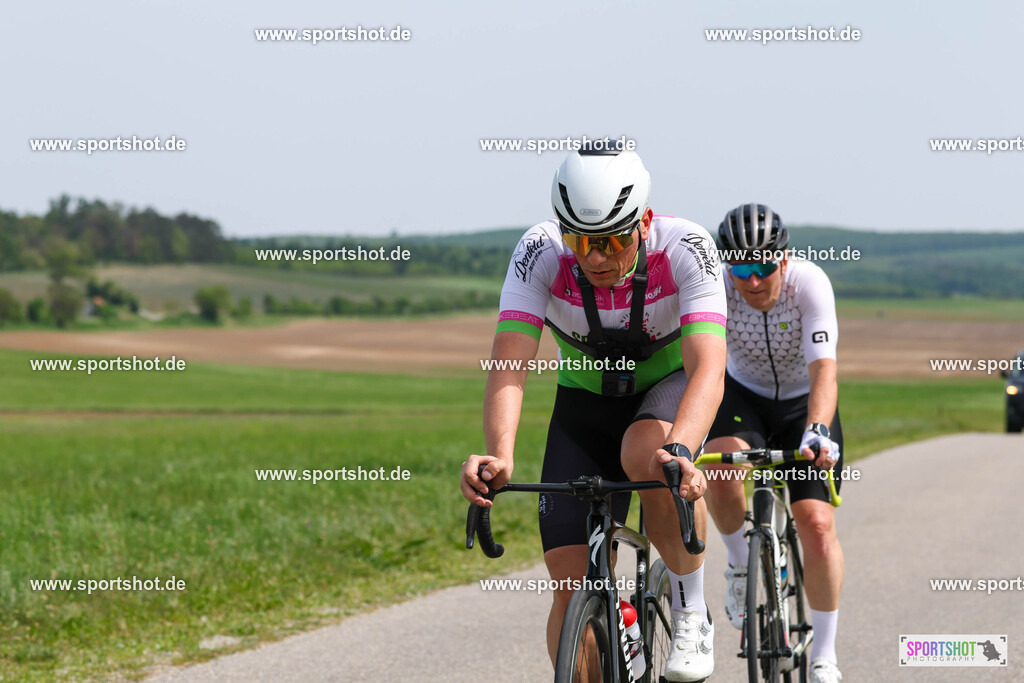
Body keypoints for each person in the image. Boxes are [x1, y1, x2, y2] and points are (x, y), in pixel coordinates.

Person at [460, 143, 727, 681]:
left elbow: (707, 370)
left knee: (647, 455)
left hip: (666, 390)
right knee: (568, 577)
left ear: (644, 221)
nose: (596, 257)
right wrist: (499, 454)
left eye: (611, 240)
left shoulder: (686, 248)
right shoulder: (538, 251)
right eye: (580, 240)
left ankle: (691, 609)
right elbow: (510, 364)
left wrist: (683, 449)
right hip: (583, 404)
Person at [703, 203, 845, 683]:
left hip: (804, 406)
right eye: (740, 268)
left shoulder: (810, 284)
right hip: (743, 396)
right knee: (720, 474)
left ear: (783, 260)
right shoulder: (718, 289)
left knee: (817, 525)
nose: (753, 281)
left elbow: (824, 368)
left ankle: (824, 654)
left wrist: (818, 429)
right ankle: (742, 567)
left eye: (764, 267)